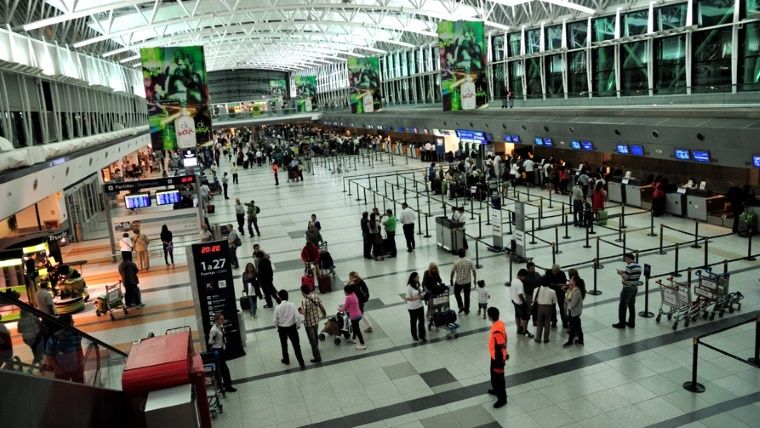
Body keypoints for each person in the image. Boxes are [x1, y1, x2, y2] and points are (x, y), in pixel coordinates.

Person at [42, 314, 84, 383]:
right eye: (71, 320)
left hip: (64, 371)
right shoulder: (75, 335)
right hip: (72, 369)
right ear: (66, 325)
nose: (74, 322)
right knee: (78, 386)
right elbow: (79, 350)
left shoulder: (53, 339)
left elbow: (49, 356)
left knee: (65, 387)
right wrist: (80, 363)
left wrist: (59, 370)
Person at [273, 290, 305, 368]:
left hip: (282, 329)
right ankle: (301, 362)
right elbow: (297, 316)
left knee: (284, 345)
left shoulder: (277, 307)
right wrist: (298, 325)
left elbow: (275, 320)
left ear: (280, 298)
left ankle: (286, 359)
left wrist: (277, 326)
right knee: (296, 345)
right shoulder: (292, 305)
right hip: (292, 328)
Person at [208, 313, 237, 392]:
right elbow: (210, 342)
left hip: (221, 349)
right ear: (216, 320)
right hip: (217, 351)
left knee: (221, 369)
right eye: (221, 319)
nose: (223, 320)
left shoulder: (220, 326)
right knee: (224, 370)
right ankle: (227, 386)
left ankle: (221, 385)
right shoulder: (214, 330)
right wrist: (216, 341)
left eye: (223, 319)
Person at [486, 307, 508, 408]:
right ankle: (495, 390)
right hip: (494, 355)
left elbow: (502, 344)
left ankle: (502, 399)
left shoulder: (496, 329)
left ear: (490, 316)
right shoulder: (499, 323)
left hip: (498, 358)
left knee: (499, 379)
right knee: (494, 375)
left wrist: (504, 355)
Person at [613, 253, 642, 329]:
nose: (625, 260)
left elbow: (625, 277)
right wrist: (624, 272)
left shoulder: (629, 266)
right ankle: (631, 322)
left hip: (627, 288)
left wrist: (620, 273)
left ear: (628, 258)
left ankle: (621, 323)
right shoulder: (638, 266)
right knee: (631, 306)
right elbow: (632, 275)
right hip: (634, 288)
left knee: (623, 306)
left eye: (625, 258)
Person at [299, 285, 326, 363]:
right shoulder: (315, 296)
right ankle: (316, 349)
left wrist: (299, 311)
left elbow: (304, 312)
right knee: (315, 335)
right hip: (316, 320)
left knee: (312, 340)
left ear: (303, 292)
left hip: (309, 323)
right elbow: (321, 305)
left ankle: (317, 357)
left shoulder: (304, 300)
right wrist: (324, 313)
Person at [340, 284, 367, 350]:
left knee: (357, 330)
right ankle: (354, 338)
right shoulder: (353, 294)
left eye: (344, 291)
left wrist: (340, 308)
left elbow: (344, 308)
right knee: (355, 327)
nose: (344, 292)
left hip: (354, 317)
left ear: (347, 291)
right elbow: (351, 304)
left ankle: (362, 344)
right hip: (359, 314)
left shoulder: (348, 297)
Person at [450, 249, 476, 315]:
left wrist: (451, 279)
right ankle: (466, 310)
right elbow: (474, 271)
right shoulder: (470, 261)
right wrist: (475, 279)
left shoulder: (456, 262)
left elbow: (452, 272)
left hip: (459, 282)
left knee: (456, 293)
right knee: (467, 296)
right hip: (467, 282)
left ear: (458, 255)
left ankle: (461, 306)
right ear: (465, 253)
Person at [532, 277, 557, 343]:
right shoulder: (552, 291)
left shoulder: (536, 289)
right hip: (549, 308)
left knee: (539, 323)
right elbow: (554, 302)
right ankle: (546, 339)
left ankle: (538, 338)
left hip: (539, 307)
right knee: (547, 323)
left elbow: (534, 300)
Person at [511, 269, 534, 338]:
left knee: (517, 315)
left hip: (514, 301)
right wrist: (525, 303)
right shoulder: (520, 283)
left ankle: (518, 329)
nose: (525, 278)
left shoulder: (513, 280)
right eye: (525, 277)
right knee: (525, 317)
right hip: (520, 303)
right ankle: (524, 331)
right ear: (522, 276)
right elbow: (520, 294)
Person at [563, 275, 585, 347]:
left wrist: (567, 295)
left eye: (571, 279)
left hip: (574, 312)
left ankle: (571, 341)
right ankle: (579, 340)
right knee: (576, 327)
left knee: (574, 327)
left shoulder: (576, 292)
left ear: (575, 281)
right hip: (572, 312)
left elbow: (572, 304)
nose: (570, 280)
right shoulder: (572, 289)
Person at [405, 272, 427, 342]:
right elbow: (408, 298)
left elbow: (420, 292)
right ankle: (414, 335)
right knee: (413, 321)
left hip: (420, 306)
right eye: (417, 277)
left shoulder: (418, 284)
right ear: (413, 278)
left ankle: (422, 335)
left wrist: (423, 294)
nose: (418, 278)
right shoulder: (409, 287)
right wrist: (418, 297)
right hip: (412, 308)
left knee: (422, 321)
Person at [545, 264, 568, 329]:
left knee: (562, 308)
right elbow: (547, 283)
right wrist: (557, 285)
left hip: (560, 293)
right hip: (551, 293)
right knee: (552, 308)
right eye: (553, 271)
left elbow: (564, 284)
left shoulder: (562, 273)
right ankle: (554, 321)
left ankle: (564, 322)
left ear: (559, 270)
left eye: (556, 271)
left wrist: (554, 284)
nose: (554, 272)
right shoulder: (548, 272)